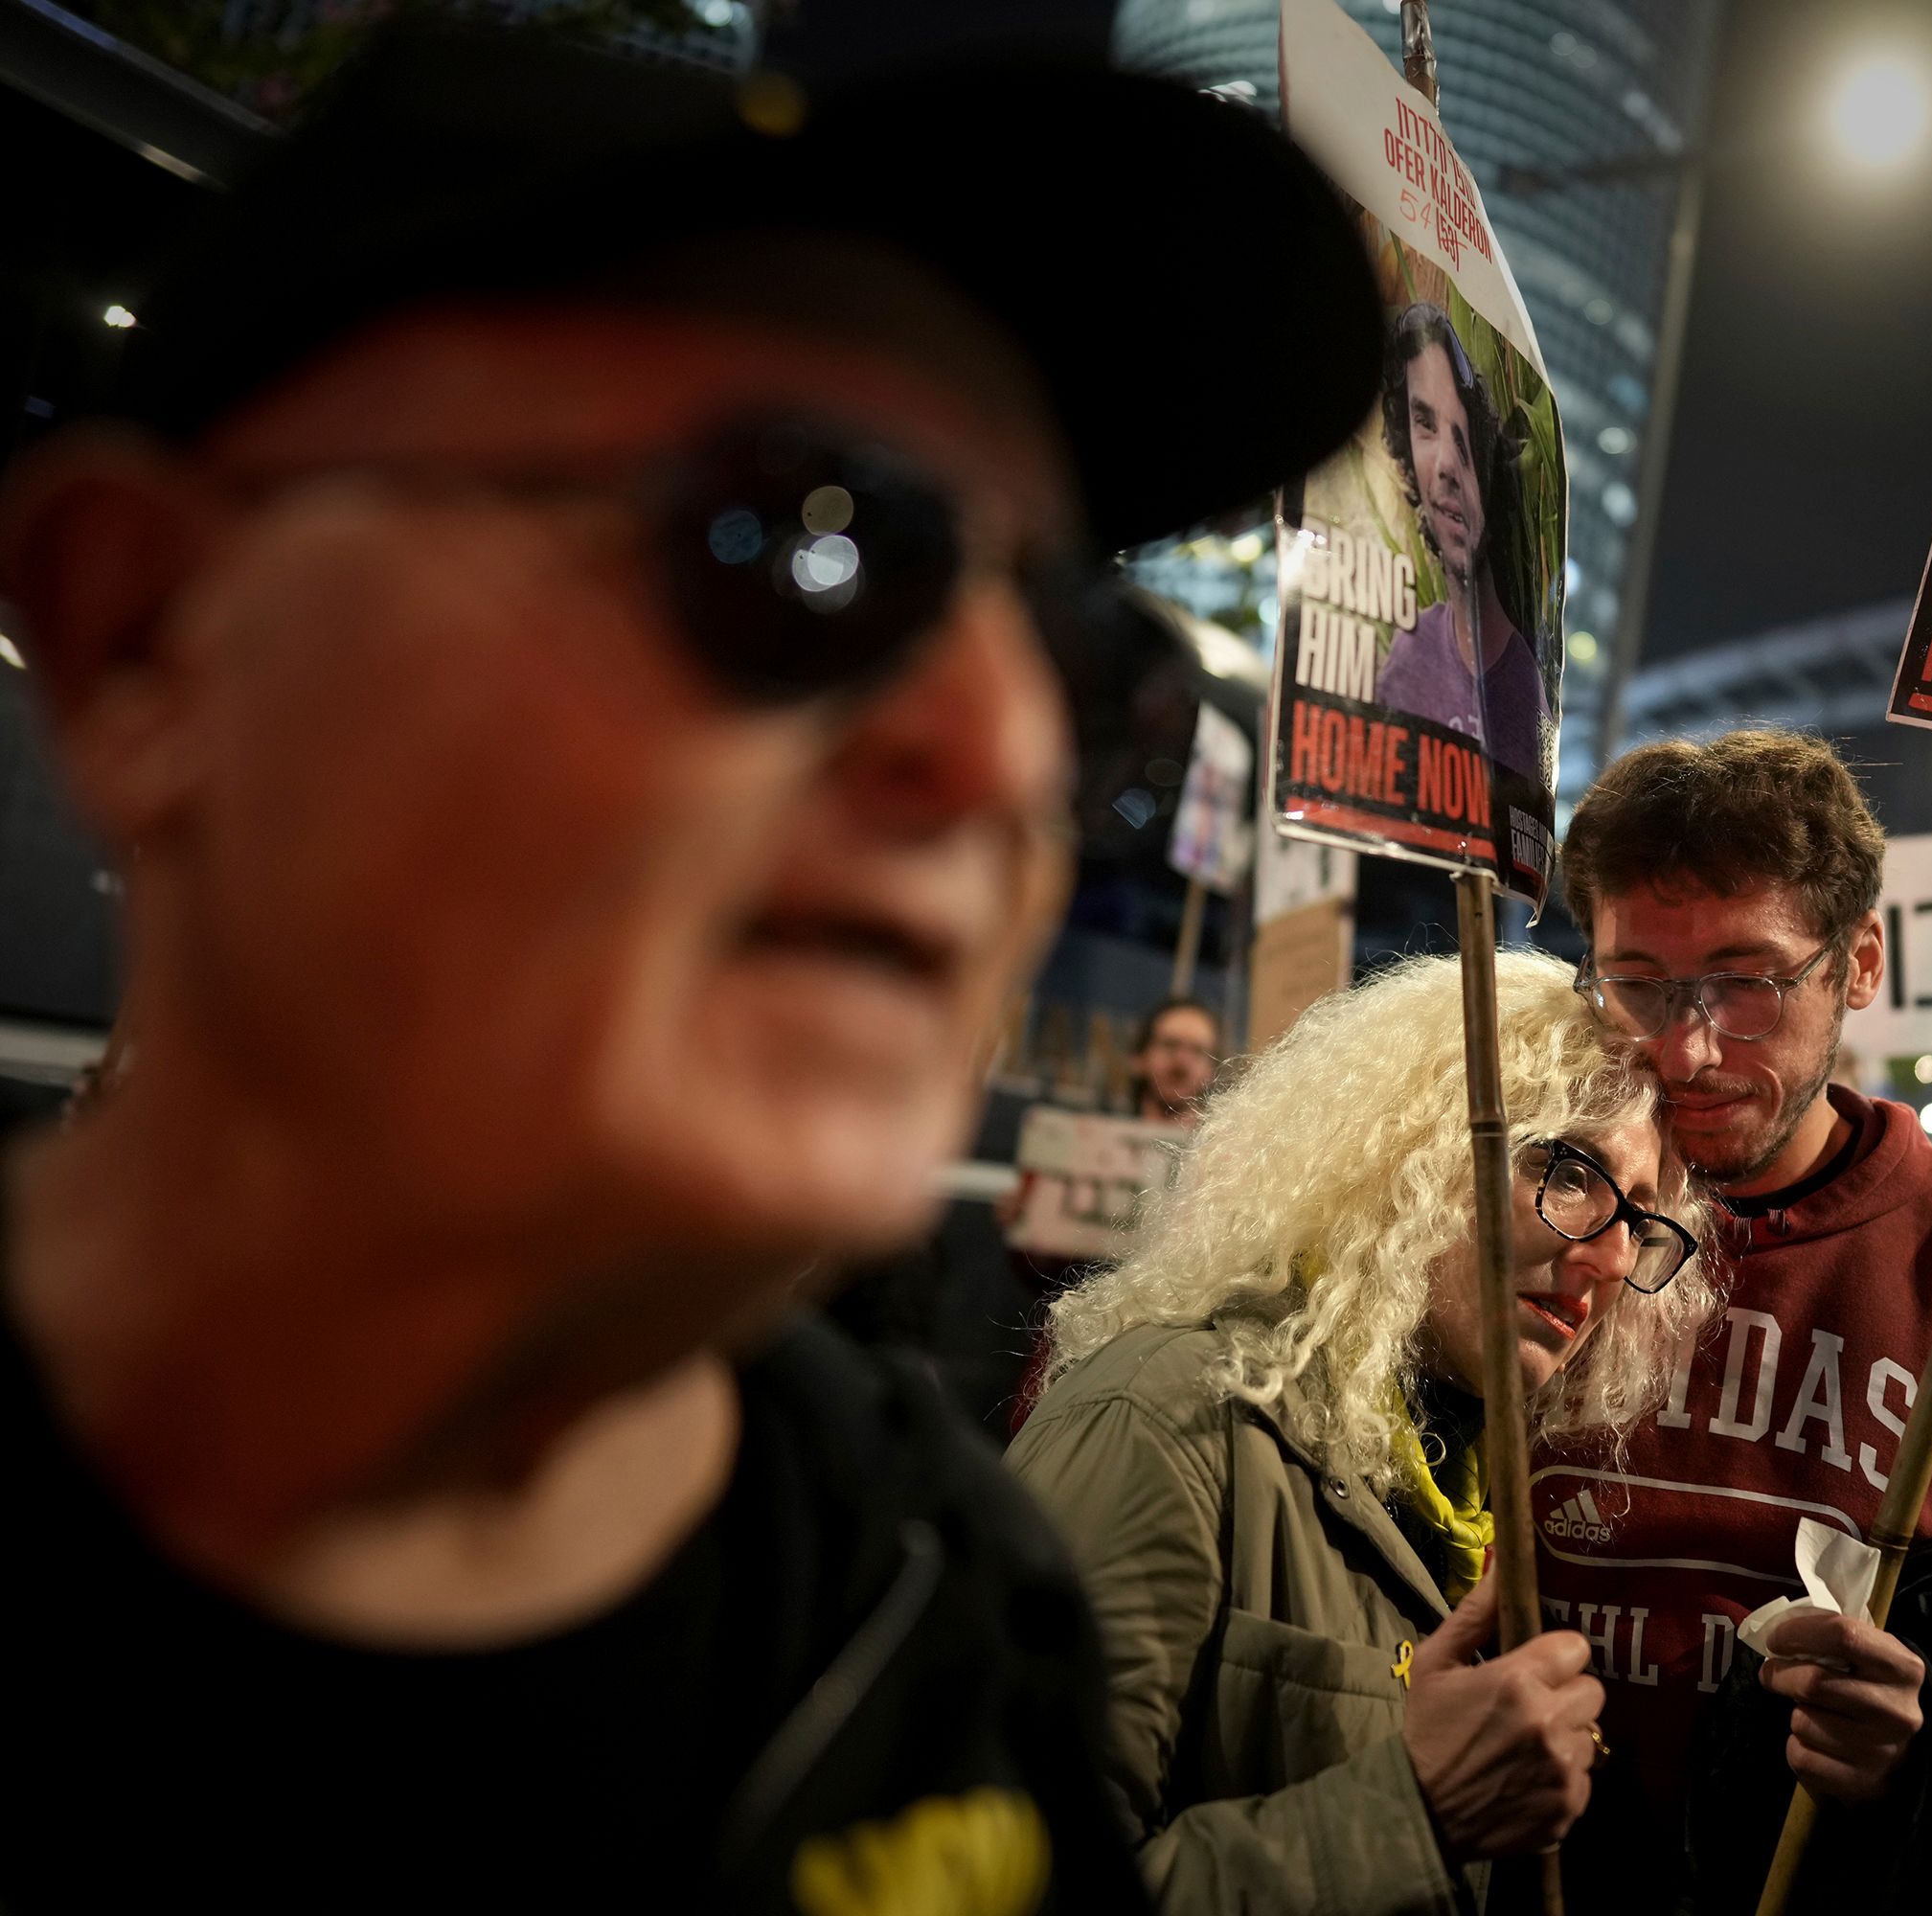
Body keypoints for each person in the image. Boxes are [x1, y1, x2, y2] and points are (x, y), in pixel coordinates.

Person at [0, 20, 1385, 1910]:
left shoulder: (946, 1606)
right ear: (146, 638)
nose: (998, 756)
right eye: (800, 541)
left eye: (1082, 659)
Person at [1538, 728, 1932, 1905]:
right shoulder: (1517, 1212)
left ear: (1859, 964)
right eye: (1638, 981)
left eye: (1749, 983)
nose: (1687, 1046)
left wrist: (1926, 1735)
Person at [1008, 952, 1718, 1915]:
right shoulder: (1162, 1419)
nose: (1607, 1252)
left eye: (1641, 1218)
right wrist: (1411, 1810)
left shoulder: (1480, 1489)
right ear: (1413, 1155)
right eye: (1568, 1168)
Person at [1373, 302, 1549, 776]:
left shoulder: (1529, 689)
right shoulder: (1410, 653)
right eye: (1425, 424)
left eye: (1462, 434)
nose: (1447, 465)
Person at [1128, 994, 1220, 1123]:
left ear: (1211, 1072)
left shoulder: (1226, 1142)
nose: (1182, 1061)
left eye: (1197, 1051)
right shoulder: (1097, 1134)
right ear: (1139, 1058)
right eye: (1170, 1045)